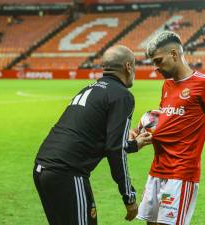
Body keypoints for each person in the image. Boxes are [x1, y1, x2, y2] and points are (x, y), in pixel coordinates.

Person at [134, 31, 205, 225]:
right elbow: (165, 120)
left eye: (158, 61)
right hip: (157, 170)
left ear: (174, 54)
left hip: (181, 173)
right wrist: (141, 132)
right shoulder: (166, 85)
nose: (156, 67)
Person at [33, 45, 152, 225]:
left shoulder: (90, 88)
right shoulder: (122, 96)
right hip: (67, 173)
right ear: (128, 66)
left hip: (43, 169)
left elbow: (99, 140)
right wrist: (129, 196)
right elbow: (114, 150)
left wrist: (133, 145)